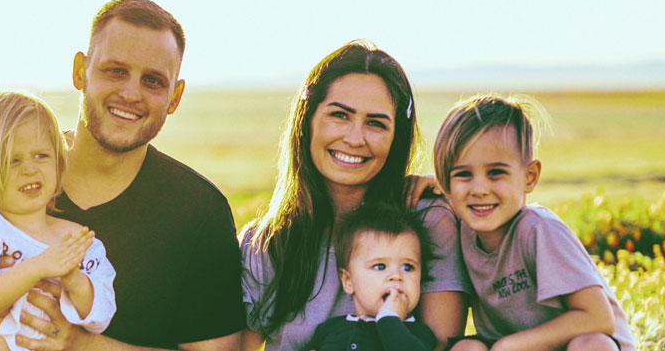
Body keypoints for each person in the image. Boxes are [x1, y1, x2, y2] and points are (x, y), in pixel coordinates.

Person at [0, 0, 245, 351]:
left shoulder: (199, 211)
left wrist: (82, 344)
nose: (131, 93)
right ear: (80, 71)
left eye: (153, 80)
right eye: (115, 70)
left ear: (175, 96)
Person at [239, 40, 471, 351]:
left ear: (395, 138)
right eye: (340, 115)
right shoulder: (266, 242)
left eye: (376, 123)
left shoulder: (427, 218)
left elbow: (440, 345)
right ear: (307, 121)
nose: (355, 138)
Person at [433, 94, 636, 351]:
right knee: (466, 349)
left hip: (572, 344)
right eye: (463, 174)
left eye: (496, 173)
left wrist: (508, 345)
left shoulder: (540, 230)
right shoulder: (460, 227)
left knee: (592, 344)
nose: (480, 189)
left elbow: (599, 318)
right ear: (446, 183)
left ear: (529, 177)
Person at [0, 91, 116, 351]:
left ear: (58, 160)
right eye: (13, 160)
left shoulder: (77, 239)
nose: (29, 169)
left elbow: (101, 316)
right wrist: (36, 267)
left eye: (41, 156)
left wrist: (74, 281)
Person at [301, 202, 438, 351]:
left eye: (408, 267)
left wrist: (389, 319)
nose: (396, 276)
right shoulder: (330, 329)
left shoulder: (418, 334)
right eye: (380, 266)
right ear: (348, 281)